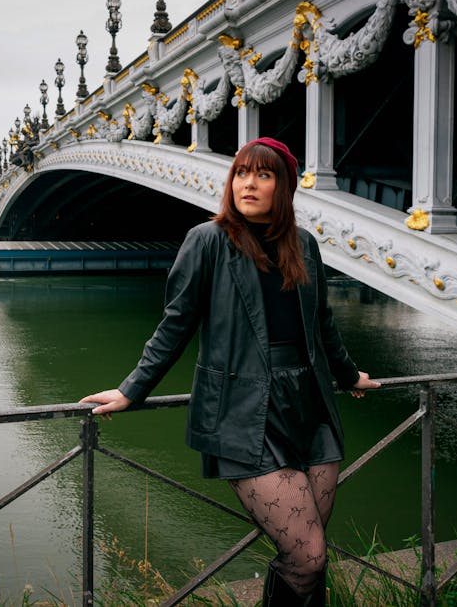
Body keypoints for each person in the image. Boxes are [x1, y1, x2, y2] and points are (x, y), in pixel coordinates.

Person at [80, 137, 379, 605]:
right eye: (241, 173)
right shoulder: (208, 240)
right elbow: (175, 324)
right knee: (308, 555)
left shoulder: (304, 244)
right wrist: (131, 390)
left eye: (263, 175)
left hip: (311, 406)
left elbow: (321, 324)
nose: (249, 184)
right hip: (244, 412)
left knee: (311, 554)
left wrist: (348, 376)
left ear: (284, 187)